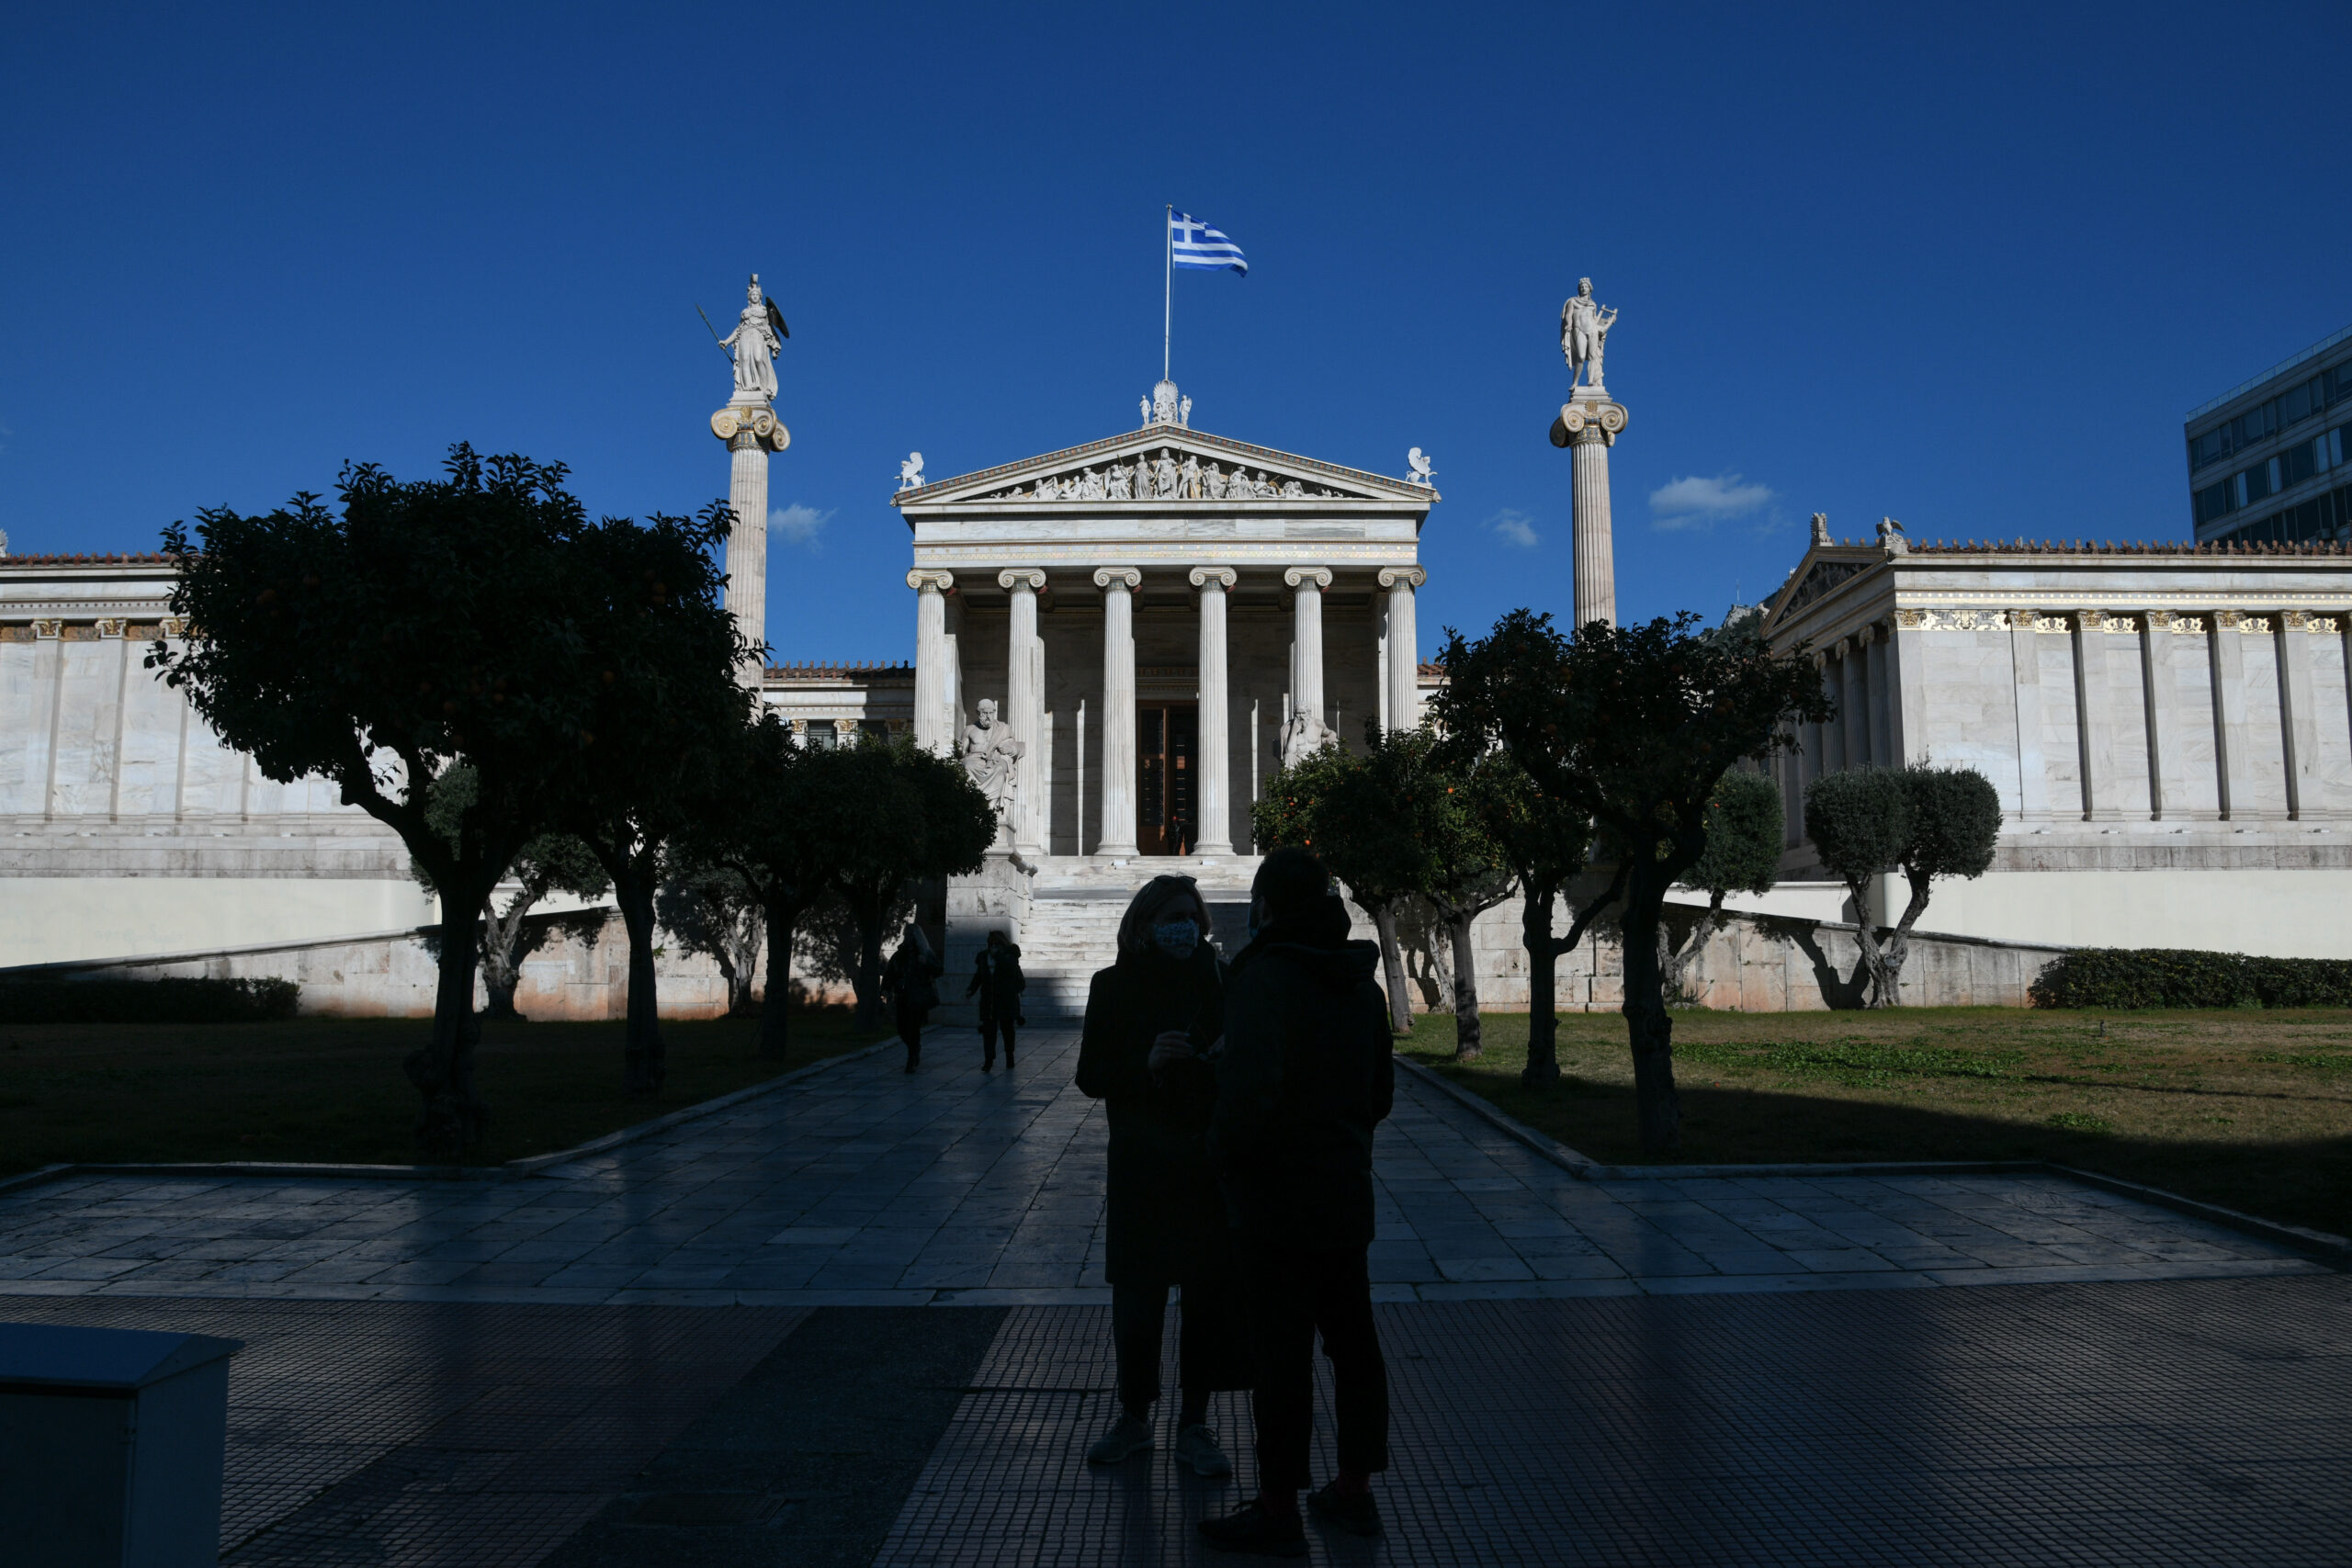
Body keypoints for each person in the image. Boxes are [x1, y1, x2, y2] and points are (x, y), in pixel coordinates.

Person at [1199, 848, 1395, 1556]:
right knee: (1354, 1347)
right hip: (1344, 1195)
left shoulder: (1264, 980)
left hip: (1276, 1203)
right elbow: (1380, 1096)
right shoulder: (1363, 988)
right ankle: (1353, 1490)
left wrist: (1219, 1156)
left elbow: (1248, 1099)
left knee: (1280, 1358)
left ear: (1268, 908)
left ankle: (1278, 1504)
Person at [1075, 874, 1249, 1480]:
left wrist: (1226, 1057)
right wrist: (1146, 1063)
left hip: (1205, 1162)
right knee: (1138, 1301)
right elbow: (1091, 1074)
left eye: (1191, 916)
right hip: (1142, 1164)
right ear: (1145, 922)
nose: (1185, 926)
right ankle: (1133, 1415)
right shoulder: (1112, 986)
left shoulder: (1224, 982)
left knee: (1206, 1300)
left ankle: (1195, 1423)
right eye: (1172, 916)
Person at [880, 922, 942, 1074]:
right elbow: (890, 972)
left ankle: (911, 1059)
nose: (908, 938)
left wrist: (926, 963)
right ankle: (914, 1049)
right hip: (902, 996)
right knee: (901, 1028)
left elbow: (938, 970)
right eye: (907, 935)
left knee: (913, 1028)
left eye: (911, 935)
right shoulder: (900, 955)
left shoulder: (925, 953)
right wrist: (886, 988)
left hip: (918, 996)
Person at [966, 928, 1027, 1071]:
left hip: (1006, 1001)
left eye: (996, 944)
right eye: (990, 944)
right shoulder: (983, 957)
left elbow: (1011, 968)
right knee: (989, 1032)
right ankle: (988, 1059)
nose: (993, 947)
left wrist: (998, 956)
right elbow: (979, 976)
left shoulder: (1009, 956)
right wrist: (971, 989)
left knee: (1007, 1030)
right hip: (989, 1000)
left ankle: (1009, 1056)